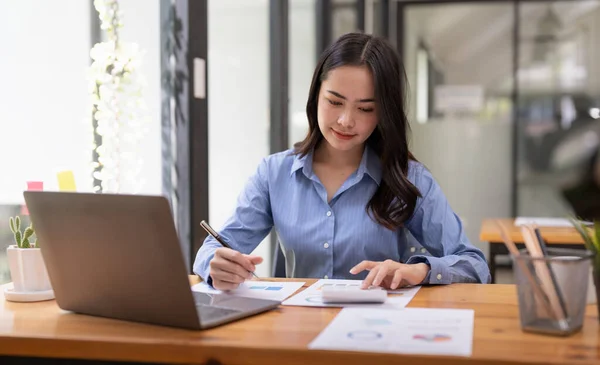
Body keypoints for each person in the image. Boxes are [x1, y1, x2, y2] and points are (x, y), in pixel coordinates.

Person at [193, 32, 490, 290]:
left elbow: (474, 265)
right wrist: (214, 265)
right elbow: (213, 249)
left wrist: (420, 270)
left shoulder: (409, 178)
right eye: (334, 102)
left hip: (377, 336)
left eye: (365, 108)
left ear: (383, 112)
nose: (346, 121)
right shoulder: (274, 173)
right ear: (315, 96)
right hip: (296, 337)